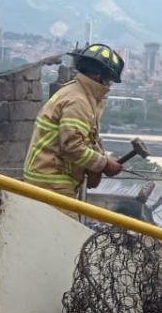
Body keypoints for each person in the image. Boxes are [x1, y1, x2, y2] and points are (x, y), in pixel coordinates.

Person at [23, 44, 124, 204]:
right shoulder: (79, 101)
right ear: (99, 76)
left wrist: (99, 162)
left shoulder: (76, 92)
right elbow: (72, 146)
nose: (109, 85)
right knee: (63, 228)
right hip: (52, 182)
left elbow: (86, 138)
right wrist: (104, 164)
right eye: (109, 80)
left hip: (46, 178)